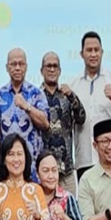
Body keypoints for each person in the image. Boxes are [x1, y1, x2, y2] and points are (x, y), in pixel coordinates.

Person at [69, 32, 111, 176]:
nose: (93, 54)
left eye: (96, 50)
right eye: (89, 50)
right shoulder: (73, 84)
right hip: (85, 161)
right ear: (81, 54)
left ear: (102, 52)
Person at [39, 52, 86, 195]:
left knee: (69, 206)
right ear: (42, 71)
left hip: (66, 169)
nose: (52, 69)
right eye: (48, 66)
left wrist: (72, 96)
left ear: (60, 71)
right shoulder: (36, 96)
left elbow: (81, 118)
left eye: (55, 66)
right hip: (44, 170)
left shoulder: (67, 95)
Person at [0, 48, 50, 165]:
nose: (17, 68)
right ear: (7, 67)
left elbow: (45, 124)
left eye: (21, 64)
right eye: (13, 64)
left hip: (32, 164)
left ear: (26, 67)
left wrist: (27, 107)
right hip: (7, 164)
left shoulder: (37, 93)